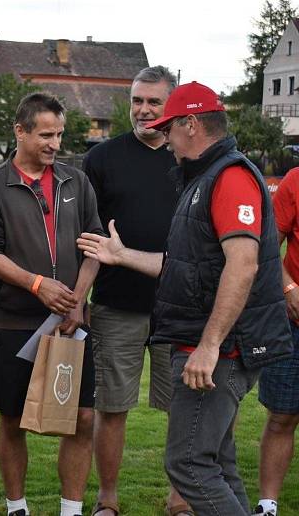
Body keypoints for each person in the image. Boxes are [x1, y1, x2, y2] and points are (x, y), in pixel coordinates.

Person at [78, 81, 293, 516]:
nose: (165, 138)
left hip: (219, 349)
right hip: (209, 343)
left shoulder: (228, 177)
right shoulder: (203, 177)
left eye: (169, 127)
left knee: (189, 464)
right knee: (218, 461)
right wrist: (122, 255)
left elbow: (243, 264)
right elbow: (187, 266)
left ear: (191, 125)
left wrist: (209, 346)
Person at [0, 92, 101, 516]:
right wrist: (37, 285)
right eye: (46, 134)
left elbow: (93, 246)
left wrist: (76, 301)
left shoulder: (76, 181)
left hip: (71, 321)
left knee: (82, 417)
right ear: (20, 131)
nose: (54, 144)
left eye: (59, 135)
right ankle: (17, 507)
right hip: (16, 321)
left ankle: (71, 510)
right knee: (12, 419)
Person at [82, 66, 190, 516]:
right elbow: (86, 232)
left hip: (180, 306)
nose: (143, 110)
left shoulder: (190, 155)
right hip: (116, 302)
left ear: (172, 107)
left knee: (183, 407)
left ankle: (180, 499)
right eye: (137, 101)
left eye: (153, 102)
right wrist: (80, 296)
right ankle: (108, 500)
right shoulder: (102, 158)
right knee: (112, 406)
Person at [252, 166, 299, 516]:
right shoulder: (295, 181)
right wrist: (288, 290)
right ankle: (267, 505)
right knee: (282, 415)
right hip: (293, 323)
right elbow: (268, 246)